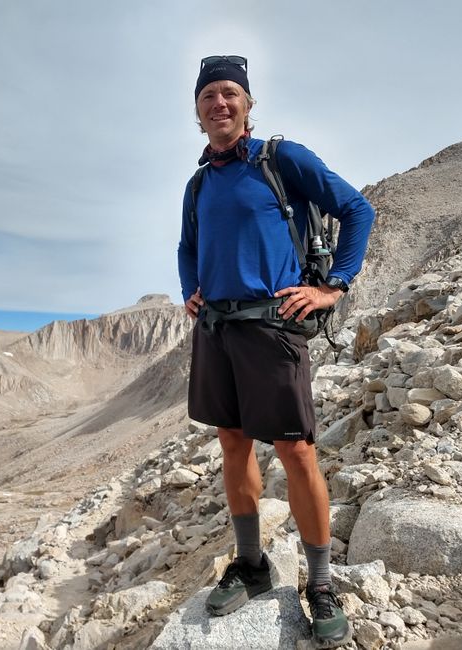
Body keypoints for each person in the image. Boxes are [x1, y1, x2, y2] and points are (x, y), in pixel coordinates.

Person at [177, 55, 375, 648]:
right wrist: (190, 288)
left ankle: (319, 584)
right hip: (216, 329)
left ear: (247, 105)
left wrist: (332, 286)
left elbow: (357, 210)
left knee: (295, 450)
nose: (220, 103)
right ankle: (253, 566)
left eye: (230, 93)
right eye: (209, 95)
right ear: (197, 111)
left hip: (273, 326)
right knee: (233, 443)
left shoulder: (280, 159)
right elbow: (188, 244)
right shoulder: (198, 181)